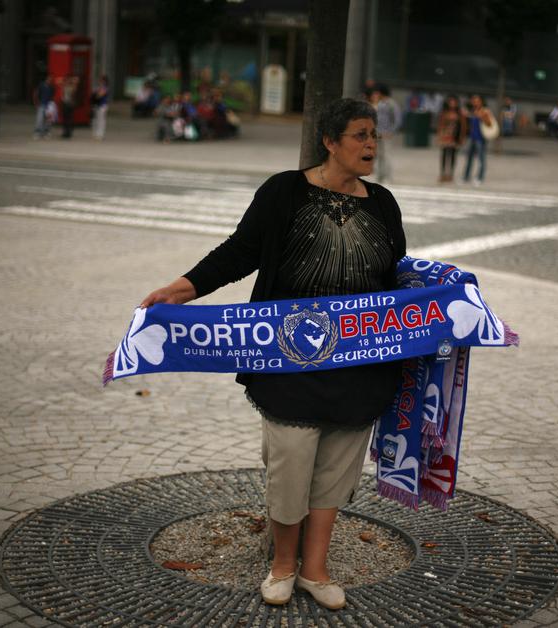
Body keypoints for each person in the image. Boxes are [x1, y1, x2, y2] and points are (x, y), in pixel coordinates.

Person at [138, 98, 406, 610]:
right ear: (330, 141)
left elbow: (395, 274)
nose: (371, 144)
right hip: (289, 358)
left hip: (359, 362)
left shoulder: (384, 203)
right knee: (291, 464)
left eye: (374, 135)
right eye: (360, 135)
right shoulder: (284, 191)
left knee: (336, 472)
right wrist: (182, 289)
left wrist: (439, 305)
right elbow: (239, 252)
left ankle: (316, 570)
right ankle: (283, 565)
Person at [368, 84, 402, 183]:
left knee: (387, 155)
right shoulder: (378, 103)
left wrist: (391, 131)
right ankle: (380, 176)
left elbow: (398, 119)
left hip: (387, 134)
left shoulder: (391, 104)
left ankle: (388, 176)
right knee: (379, 155)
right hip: (377, 134)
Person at [462, 94, 493, 186]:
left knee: (481, 159)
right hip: (472, 137)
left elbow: (489, 124)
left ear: (481, 102)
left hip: (481, 139)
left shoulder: (485, 111)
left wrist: (481, 117)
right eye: (474, 101)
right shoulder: (472, 111)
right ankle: (466, 177)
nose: (475, 103)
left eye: (477, 101)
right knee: (469, 158)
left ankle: (480, 177)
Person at [435, 94, 466, 183]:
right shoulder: (444, 113)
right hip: (445, 136)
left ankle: (450, 174)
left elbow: (463, 126)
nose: (452, 104)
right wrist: (439, 136)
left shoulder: (460, 113)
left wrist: (462, 138)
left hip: (455, 137)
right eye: (451, 102)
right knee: (444, 155)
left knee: (452, 156)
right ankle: (443, 174)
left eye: (454, 102)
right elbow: (440, 125)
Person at [33, 75, 55, 139]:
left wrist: (52, 105)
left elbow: (52, 96)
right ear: (46, 79)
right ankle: (37, 132)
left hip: (49, 105)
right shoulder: (41, 85)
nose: (50, 80)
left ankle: (46, 131)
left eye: (51, 79)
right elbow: (36, 93)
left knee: (48, 120)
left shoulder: (52, 87)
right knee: (39, 119)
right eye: (49, 79)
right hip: (41, 104)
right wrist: (36, 103)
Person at [91, 75, 109, 141]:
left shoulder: (105, 87)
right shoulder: (98, 87)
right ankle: (96, 134)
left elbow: (100, 95)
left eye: (102, 80)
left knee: (101, 121)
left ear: (105, 81)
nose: (100, 81)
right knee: (96, 120)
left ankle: (100, 135)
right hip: (97, 105)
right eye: (100, 80)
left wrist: (96, 94)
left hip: (102, 106)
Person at [60, 75, 78, 139]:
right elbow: (62, 95)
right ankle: (65, 132)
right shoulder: (64, 87)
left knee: (69, 118)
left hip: (69, 104)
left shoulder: (72, 87)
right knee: (65, 118)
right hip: (65, 104)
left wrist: (74, 83)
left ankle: (68, 132)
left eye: (68, 80)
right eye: (66, 80)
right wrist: (62, 99)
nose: (67, 81)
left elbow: (74, 93)